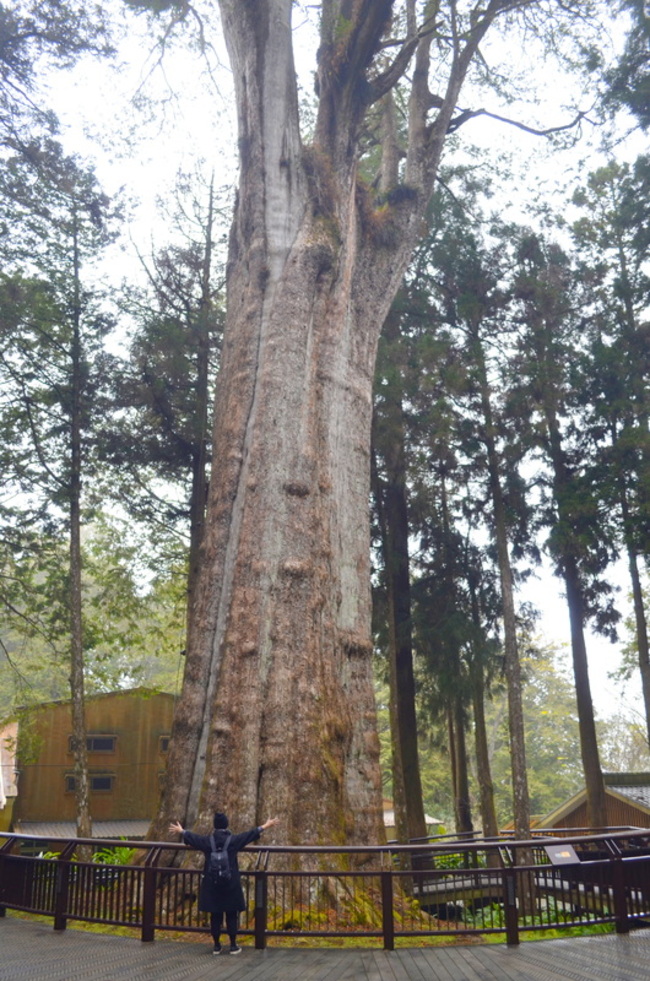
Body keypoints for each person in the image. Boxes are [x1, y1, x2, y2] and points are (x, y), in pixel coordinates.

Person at [169, 811, 278, 955]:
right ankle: (233, 945)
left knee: (215, 915)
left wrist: (182, 831)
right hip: (230, 882)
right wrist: (266, 825)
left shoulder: (208, 841)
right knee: (231, 913)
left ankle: (216, 945)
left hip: (212, 883)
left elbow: (194, 838)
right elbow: (249, 835)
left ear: (214, 826)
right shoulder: (233, 840)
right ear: (226, 825)